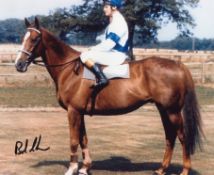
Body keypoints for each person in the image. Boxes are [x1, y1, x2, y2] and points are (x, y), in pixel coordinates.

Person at [80, 0, 129, 88]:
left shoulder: (118, 22)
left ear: (114, 7)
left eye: (106, 7)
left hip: (116, 56)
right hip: (112, 53)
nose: (104, 9)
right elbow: (104, 40)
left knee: (84, 55)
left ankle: (102, 79)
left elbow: (109, 44)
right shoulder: (114, 21)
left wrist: (92, 49)